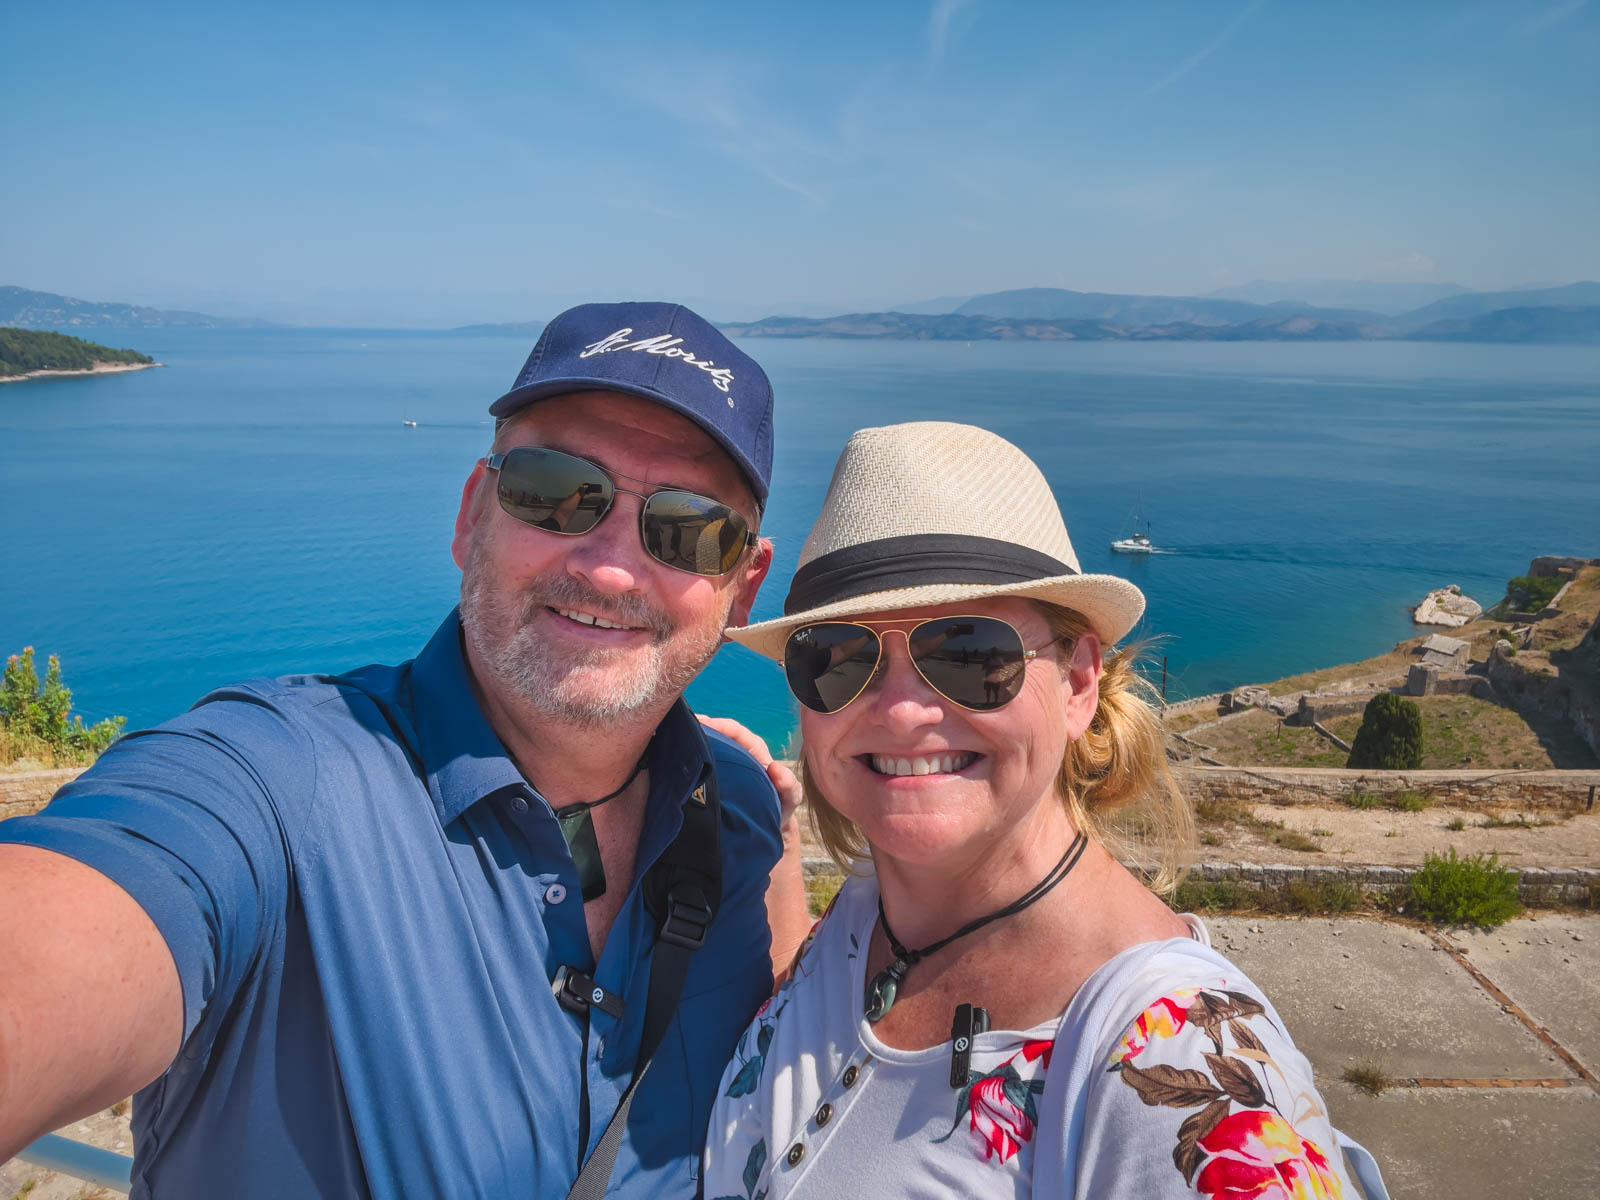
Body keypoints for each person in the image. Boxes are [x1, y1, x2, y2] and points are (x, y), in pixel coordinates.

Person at [0, 302, 812, 1199]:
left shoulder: (733, 809)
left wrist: (764, 815)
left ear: (744, 588)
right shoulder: (275, 786)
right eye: (555, 489)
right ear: (472, 515)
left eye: (689, 529)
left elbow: (786, 1022)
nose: (610, 566)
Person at [702, 422, 1388, 1199]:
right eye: (838, 658)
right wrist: (773, 831)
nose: (898, 712)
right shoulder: (872, 915)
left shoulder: (1185, 1071)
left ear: (1078, 684)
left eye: (967, 653)